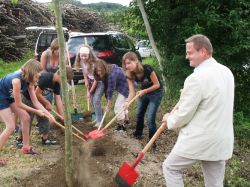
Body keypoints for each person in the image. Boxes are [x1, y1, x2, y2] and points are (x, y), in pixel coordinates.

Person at [161, 34, 235, 186]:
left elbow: (184, 115)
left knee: (170, 168)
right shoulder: (226, 72)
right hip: (220, 140)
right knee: (214, 184)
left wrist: (169, 119)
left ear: (203, 51)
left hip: (200, 139)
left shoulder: (196, 78)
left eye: (189, 52)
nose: (186, 56)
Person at [0, 59, 55, 163]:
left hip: (8, 95)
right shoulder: (16, 80)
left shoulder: (30, 81)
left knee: (26, 118)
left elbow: (35, 102)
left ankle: (25, 147)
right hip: (1, 96)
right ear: (31, 73)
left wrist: (48, 114)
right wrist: (37, 111)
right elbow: (19, 104)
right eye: (37, 76)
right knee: (11, 127)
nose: (38, 79)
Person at [18, 66, 73, 146]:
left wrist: (62, 117)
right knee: (27, 118)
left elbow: (58, 100)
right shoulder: (46, 78)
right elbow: (36, 93)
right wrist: (47, 103)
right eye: (66, 80)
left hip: (40, 98)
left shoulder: (57, 84)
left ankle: (45, 139)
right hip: (28, 98)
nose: (65, 82)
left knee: (45, 117)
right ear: (61, 75)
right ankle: (21, 139)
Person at [122, 52, 163, 150]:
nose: (127, 66)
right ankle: (138, 133)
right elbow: (132, 92)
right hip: (143, 92)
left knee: (150, 118)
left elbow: (157, 85)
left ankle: (152, 143)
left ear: (136, 61)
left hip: (156, 92)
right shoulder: (129, 74)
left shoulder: (147, 69)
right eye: (125, 64)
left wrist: (145, 91)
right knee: (139, 113)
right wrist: (127, 102)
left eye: (129, 63)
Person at [94, 59, 129, 131]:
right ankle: (126, 119)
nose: (98, 73)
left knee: (118, 107)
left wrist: (108, 106)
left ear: (104, 68)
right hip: (120, 85)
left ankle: (121, 127)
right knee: (122, 104)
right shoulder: (107, 71)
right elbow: (107, 89)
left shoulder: (111, 75)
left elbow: (110, 91)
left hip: (127, 86)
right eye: (97, 71)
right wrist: (108, 103)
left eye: (100, 70)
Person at [74, 45, 104, 127]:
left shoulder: (95, 64)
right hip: (91, 81)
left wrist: (89, 92)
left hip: (100, 81)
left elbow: (96, 80)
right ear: (79, 55)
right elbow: (84, 72)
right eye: (81, 56)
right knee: (92, 100)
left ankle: (100, 122)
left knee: (96, 99)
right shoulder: (81, 62)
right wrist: (86, 81)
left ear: (89, 55)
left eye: (85, 56)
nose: (83, 58)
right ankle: (99, 117)